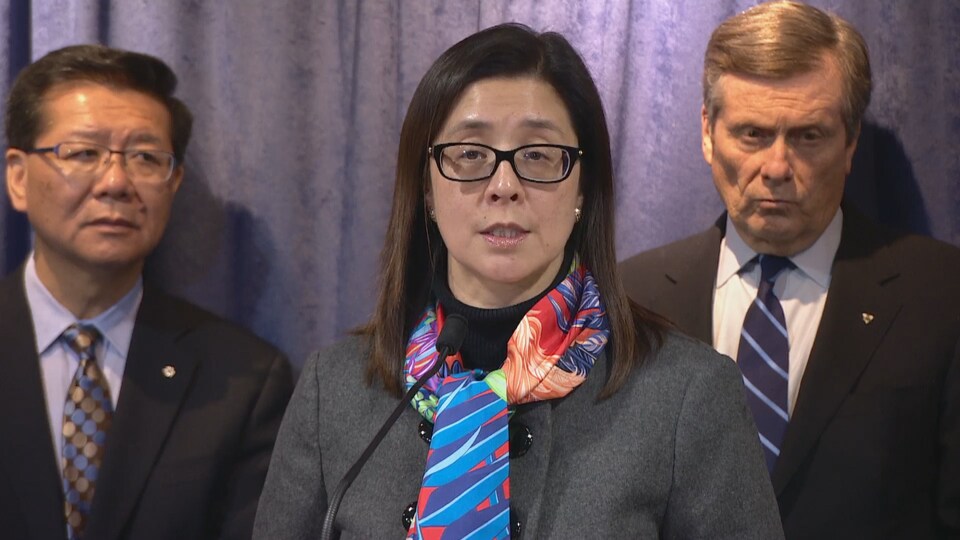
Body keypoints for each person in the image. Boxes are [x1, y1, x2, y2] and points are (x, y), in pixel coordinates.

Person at [254, 23, 782, 539]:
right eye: (469, 155)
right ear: (427, 191)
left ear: (582, 188)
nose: (504, 185)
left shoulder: (686, 394)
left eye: (537, 155)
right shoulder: (335, 388)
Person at [619, 2, 960, 538]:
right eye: (752, 133)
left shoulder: (942, 296)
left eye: (808, 136)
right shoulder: (629, 297)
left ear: (850, 142)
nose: (777, 168)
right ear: (708, 132)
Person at [0, 44, 293, 540]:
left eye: (144, 158)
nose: (116, 182)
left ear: (174, 182)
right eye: (84, 153)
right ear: (19, 177)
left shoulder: (245, 380)